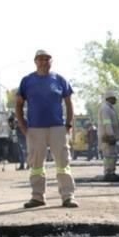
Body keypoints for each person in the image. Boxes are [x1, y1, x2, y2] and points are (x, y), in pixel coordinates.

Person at [15, 49, 78, 208]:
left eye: (47, 59)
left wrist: (68, 124)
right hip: (35, 129)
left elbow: (69, 104)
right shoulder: (27, 81)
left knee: (63, 162)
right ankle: (37, 197)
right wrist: (23, 126)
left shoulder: (59, 80)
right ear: (35, 61)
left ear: (51, 61)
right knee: (36, 165)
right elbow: (19, 105)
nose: (44, 62)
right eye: (40, 59)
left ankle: (67, 196)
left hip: (57, 128)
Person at [98, 91, 119, 182]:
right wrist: (111, 135)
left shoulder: (110, 108)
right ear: (109, 98)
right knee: (109, 156)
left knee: (112, 156)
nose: (115, 100)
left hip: (111, 137)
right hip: (107, 137)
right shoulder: (105, 109)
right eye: (114, 98)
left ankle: (111, 172)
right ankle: (108, 173)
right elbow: (107, 123)